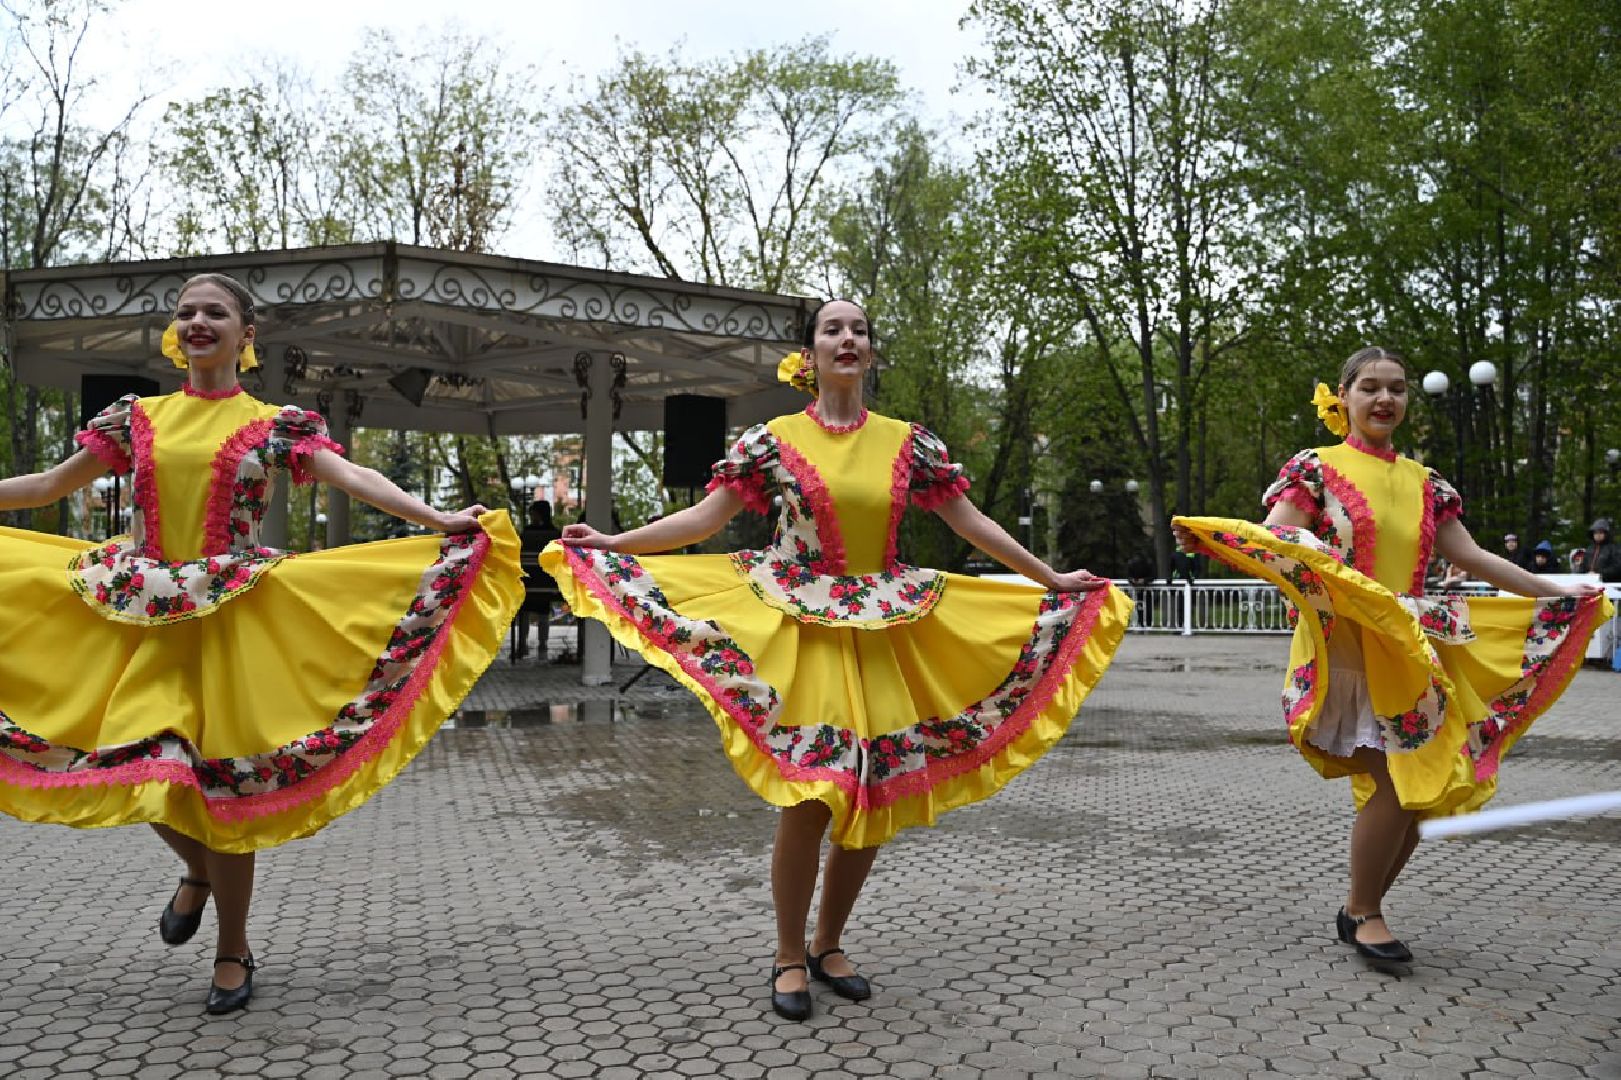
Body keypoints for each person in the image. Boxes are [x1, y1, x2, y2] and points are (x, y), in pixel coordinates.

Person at [543, 300, 1132, 1021]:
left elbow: (969, 523)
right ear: (810, 354)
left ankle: (829, 944)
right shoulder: (770, 440)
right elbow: (707, 519)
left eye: (857, 330)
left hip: (884, 625)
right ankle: (788, 954)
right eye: (831, 329)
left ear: (870, 353)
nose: (846, 339)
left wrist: (1049, 579)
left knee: (873, 790)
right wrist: (614, 543)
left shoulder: (908, 443)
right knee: (813, 794)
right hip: (798, 624)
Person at [0, 273, 523, 1014]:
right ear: (174, 333)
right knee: (132, 770)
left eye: (215, 312)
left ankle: (232, 948)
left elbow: (353, 476)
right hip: (143, 613)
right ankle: (202, 875)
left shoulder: (275, 423)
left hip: (233, 619)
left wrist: (436, 517)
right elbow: (51, 485)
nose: (197, 322)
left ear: (247, 335)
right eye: (186, 313)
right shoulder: (136, 418)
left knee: (219, 785)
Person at [1172, 346, 1609, 967]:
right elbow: (1276, 535)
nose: (1385, 400)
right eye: (1371, 387)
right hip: (1350, 646)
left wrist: (1558, 590)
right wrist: (1224, 539)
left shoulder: (1426, 483)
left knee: (1421, 789)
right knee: (1395, 782)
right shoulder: (1315, 469)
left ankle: (1360, 906)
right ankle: (1365, 912)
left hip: (1415, 645)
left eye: (1397, 389)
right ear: (1343, 397)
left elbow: (1476, 559)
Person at [514, 499, 562, 659]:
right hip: (549, 584)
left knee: (524, 610)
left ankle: (522, 644)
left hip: (528, 583)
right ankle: (543, 644)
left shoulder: (526, 534)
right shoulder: (555, 534)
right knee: (543, 611)